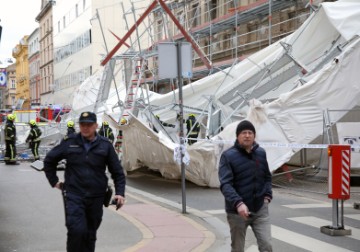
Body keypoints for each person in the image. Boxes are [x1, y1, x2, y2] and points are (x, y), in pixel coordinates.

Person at [43, 111, 126, 252]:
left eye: (89, 125)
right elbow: (49, 160)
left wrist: (120, 193)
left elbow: (117, 171)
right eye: (82, 124)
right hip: (74, 194)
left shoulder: (105, 145)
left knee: (90, 233)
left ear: (96, 126)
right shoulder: (70, 142)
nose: (85, 128)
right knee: (76, 230)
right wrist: (54, 181)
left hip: (96, 196)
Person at [218, 120, 272, 252]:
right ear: (238, 136)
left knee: (267, 246)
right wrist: (238, 203)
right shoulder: (228, 156)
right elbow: (225, 184)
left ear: (254, 136)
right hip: (237, 212)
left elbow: (267, 177)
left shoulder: (261, 153)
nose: (247, 135)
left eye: (250, 133)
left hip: (260, 209)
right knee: (238, 248)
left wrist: (267, 195)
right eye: (244, 133)